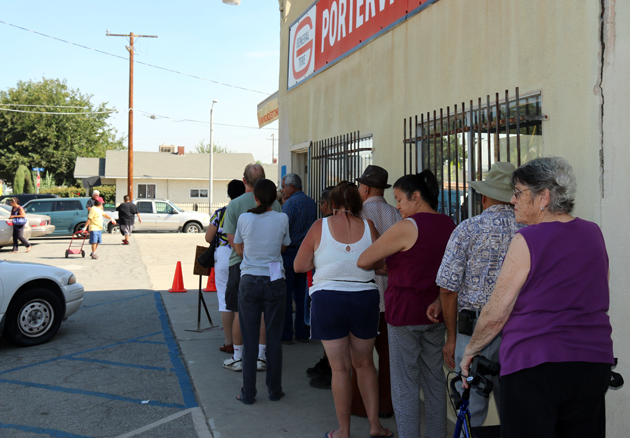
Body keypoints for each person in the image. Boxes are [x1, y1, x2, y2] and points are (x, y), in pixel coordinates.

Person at [460, 157, 614, 438]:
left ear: (543, 197)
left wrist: (471, 350)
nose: (512, 199)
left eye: (518, 192)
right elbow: (597, 293)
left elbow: (496, 313)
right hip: (592, 363)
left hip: (535, 364)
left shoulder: (528, 240)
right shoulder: (593, 233)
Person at [357, 170, 455, 438]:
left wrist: (387, 264)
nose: (397, 206)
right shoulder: (449, 224)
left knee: (405, 385)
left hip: (403, 312)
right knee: (434, 382)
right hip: (436, 312)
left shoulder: (407, 227)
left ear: (416, 196)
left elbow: (365, 260)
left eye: (399, 199)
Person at [295, 182, 392, 438]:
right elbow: (381, 263)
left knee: (339, 369)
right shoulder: (369, 227)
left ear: (333, 203)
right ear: (359, 204)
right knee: (365, 364)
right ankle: (375, 427)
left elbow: (299, 265)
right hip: (364, 300)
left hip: (329, 301)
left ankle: (344, 432)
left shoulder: (320, 226)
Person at [435, 162, 522, 435]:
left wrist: (451, 338)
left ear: (484, 197)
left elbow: (448, 290)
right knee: (517, 409)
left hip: (473, 330)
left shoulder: (467, 229)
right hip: (518, 331)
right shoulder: (530, 231)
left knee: (470, 408)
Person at [232, 179, 291, 404]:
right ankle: (274, 390)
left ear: (255, 197)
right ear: (275, 199)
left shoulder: (244, 218)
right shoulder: (282, 217)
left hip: (249, 280)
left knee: (249, 340)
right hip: (275, 279)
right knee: (274, 339)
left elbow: (238, 247)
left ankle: (248, 393)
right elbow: (284, 245)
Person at [351, 165, 401, 419]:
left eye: (360, 186)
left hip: (364, 295)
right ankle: (386, 405)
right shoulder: (396, 214)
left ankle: (360, 407)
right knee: (388, 356)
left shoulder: (356, 214)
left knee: (359, 357)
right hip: (389, 297)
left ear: (367, 188)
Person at [222, 164, 282, 371]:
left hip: (243, 266)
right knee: (267, 311)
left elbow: (232, 240)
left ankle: (238, 357)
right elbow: (283, 242)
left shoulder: (236, 205)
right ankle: (261, 356)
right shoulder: (277, 207)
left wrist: (249, 256)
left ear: (244, 180)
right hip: (273, 266)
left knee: (240, 311)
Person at [206, 179, 246, 354]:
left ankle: (229, 342)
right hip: (243, 254)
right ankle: (247, 339)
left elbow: (208, 238)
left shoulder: (220, 213)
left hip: (223, 255)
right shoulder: (247, 211)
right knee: (245, 297)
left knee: (225, 299)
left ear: (229, 194)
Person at [280, 173, 316, 344]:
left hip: (289, 253)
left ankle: (286, 334)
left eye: (283, 186)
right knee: (303, 295)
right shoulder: (312, 203)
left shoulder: (290, 204)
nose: (282, 190)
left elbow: (282, 228)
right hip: (307, 254)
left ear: (291, 187)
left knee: (286, 295)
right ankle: (303, 332)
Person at [306, 185, 336, 390]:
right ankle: (327, 365)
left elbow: (300, 263)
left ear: (327, 204)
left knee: (333, 337)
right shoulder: (362, 224)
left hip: (328, 288)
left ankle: (332, 371)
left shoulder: (323, 226)